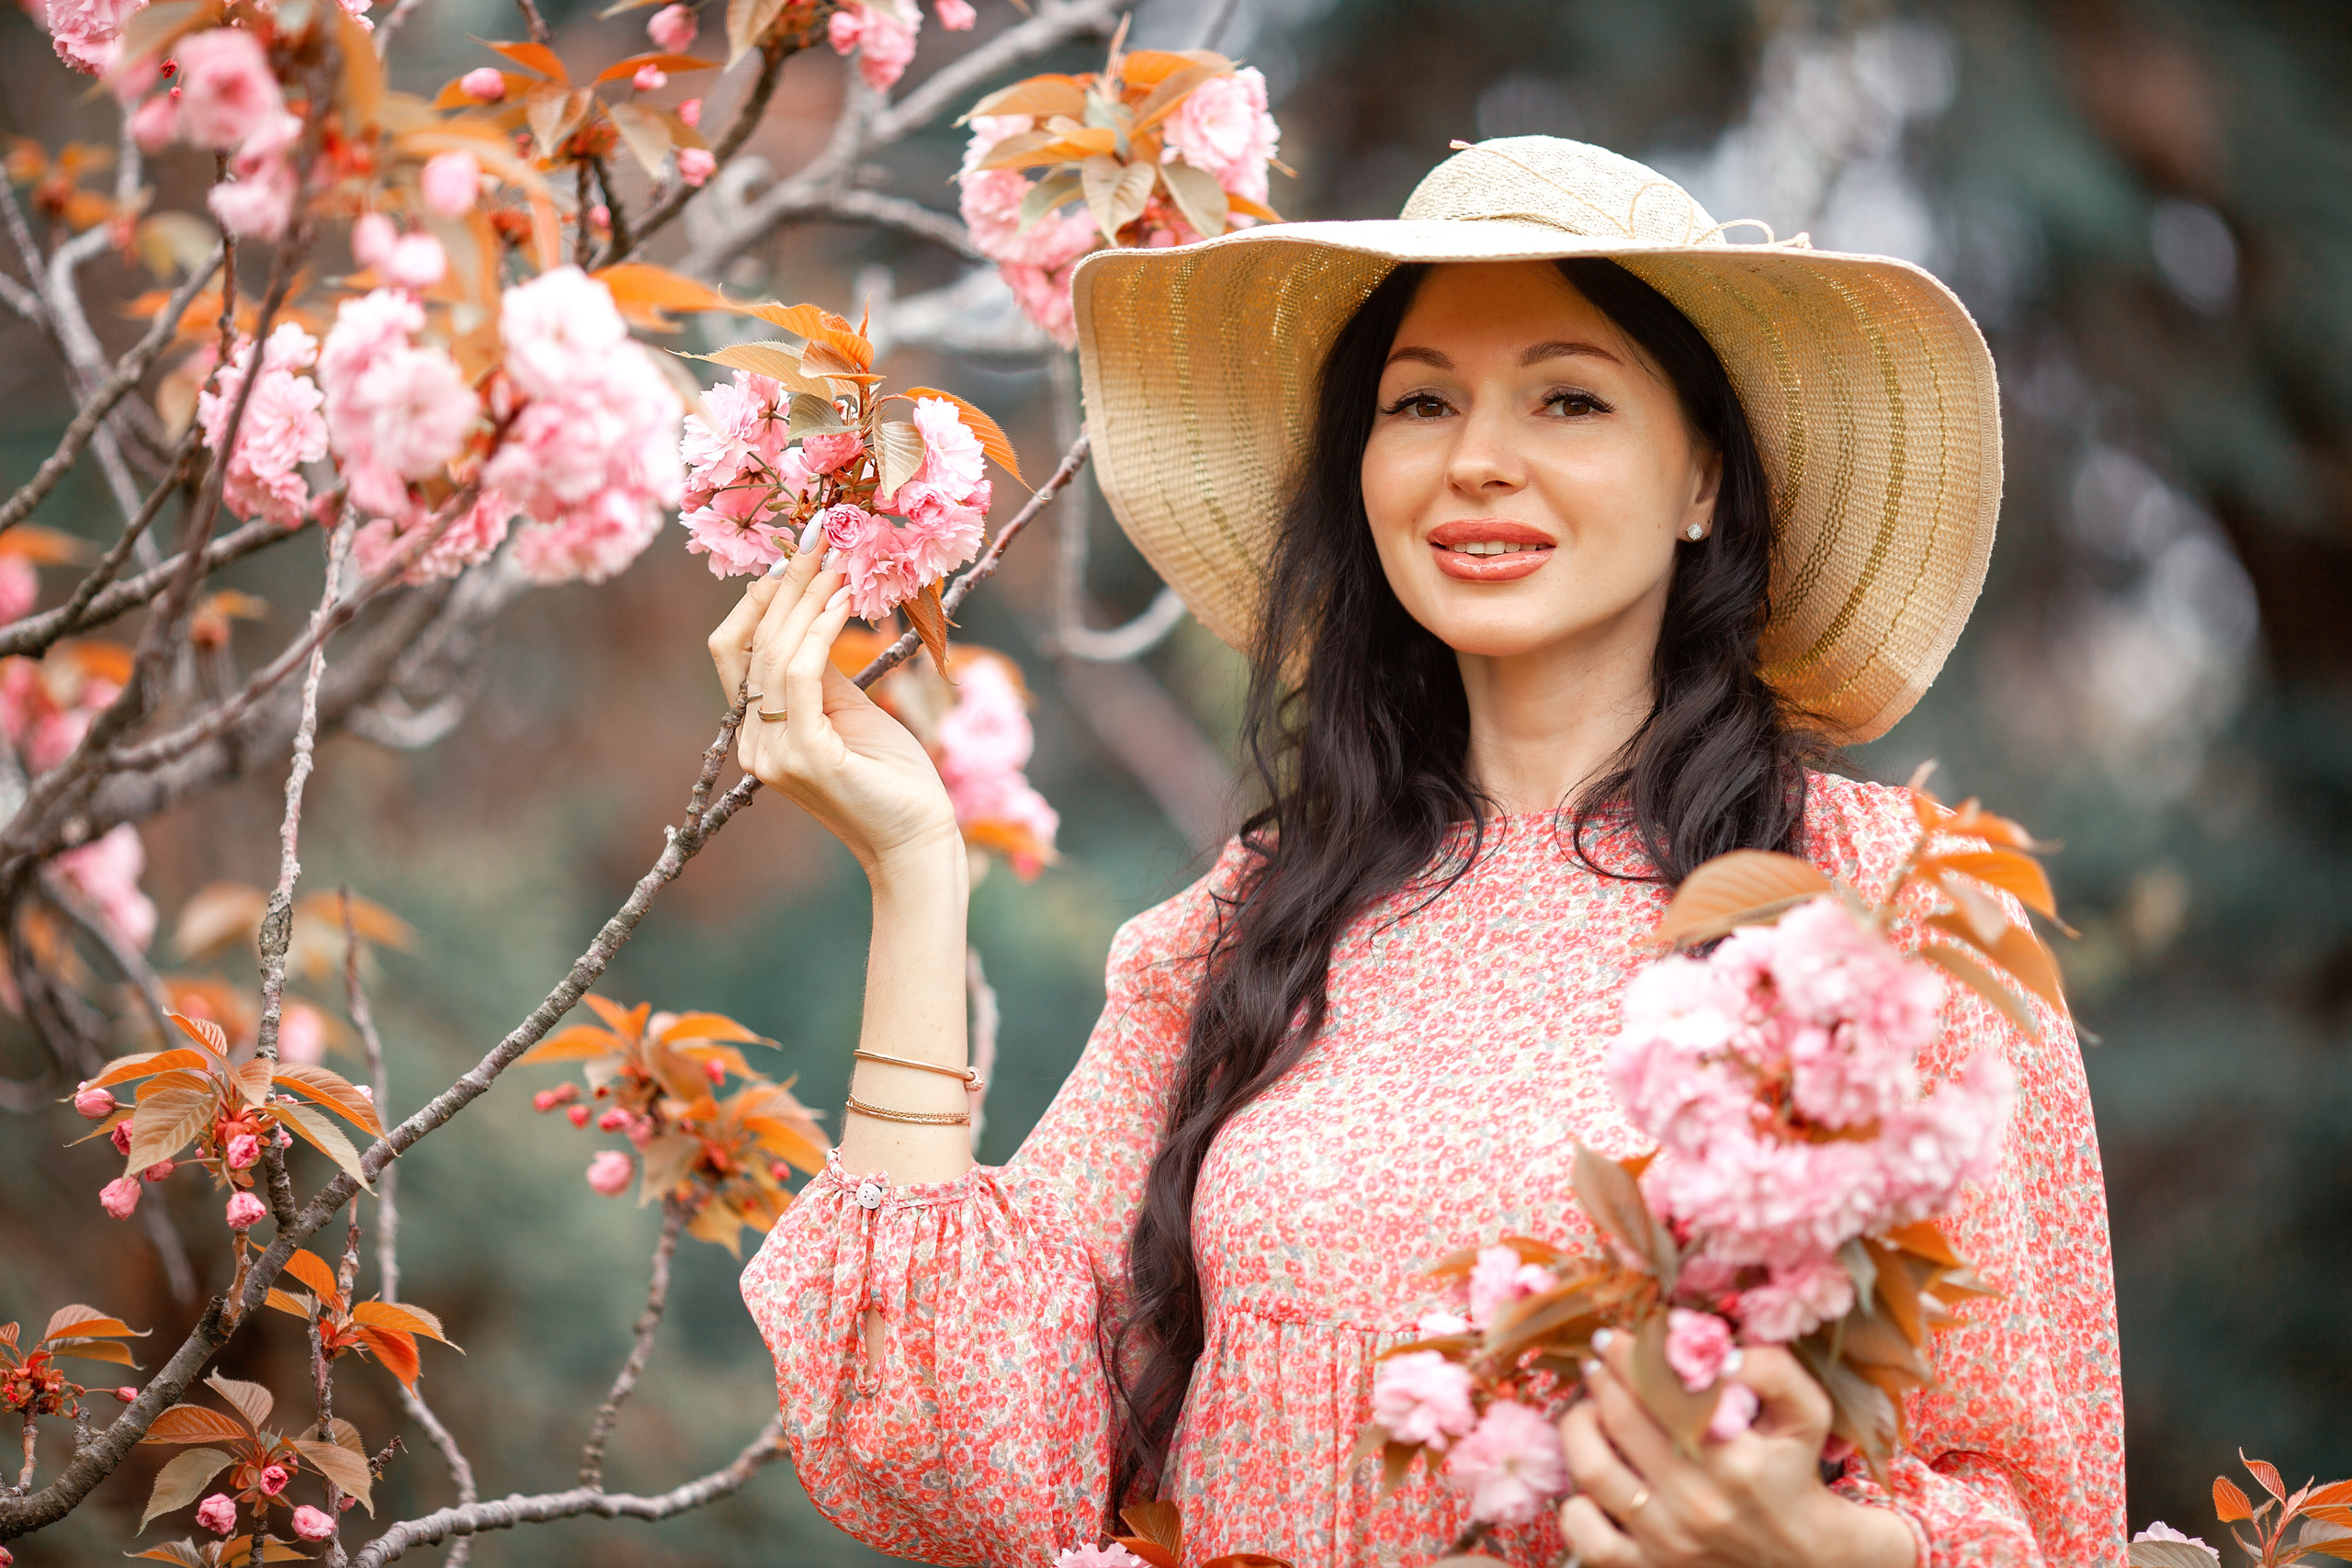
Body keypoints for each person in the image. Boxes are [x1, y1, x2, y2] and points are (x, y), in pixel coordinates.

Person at [709, 137, 2123, 1568]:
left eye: (1568, 398)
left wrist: (1812, 1545)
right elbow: (964, 1456)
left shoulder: (1885, 917)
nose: (1478, 461)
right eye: (1421, 401)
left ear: (1704, 477)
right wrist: (913, 871)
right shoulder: (1250, 926)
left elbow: (2039, 1508)